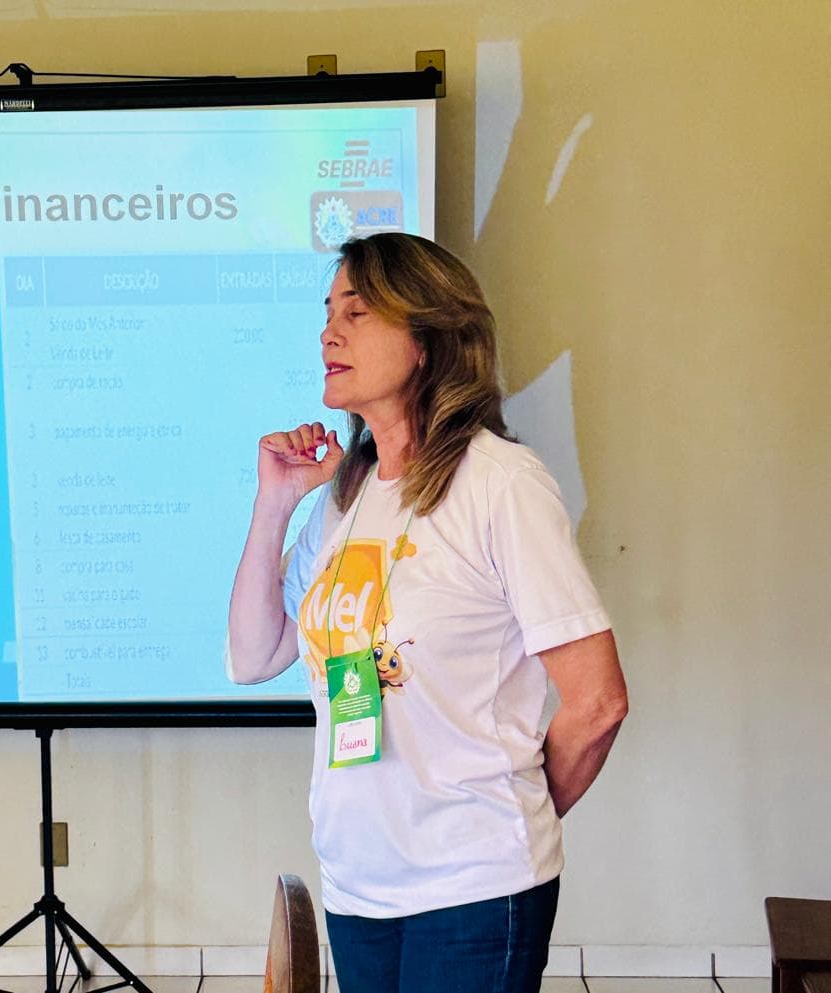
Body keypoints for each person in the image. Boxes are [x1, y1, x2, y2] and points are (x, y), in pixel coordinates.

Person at [226, 233, 628, 993]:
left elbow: (599, 701)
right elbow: (252, 656)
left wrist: (507, 817)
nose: (328, 333)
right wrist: (275, 503)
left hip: (473, 888)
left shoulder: (499, 482)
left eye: (357, 312)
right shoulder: (348, 494)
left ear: (426, 339)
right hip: (357, 884)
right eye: (327, 313)